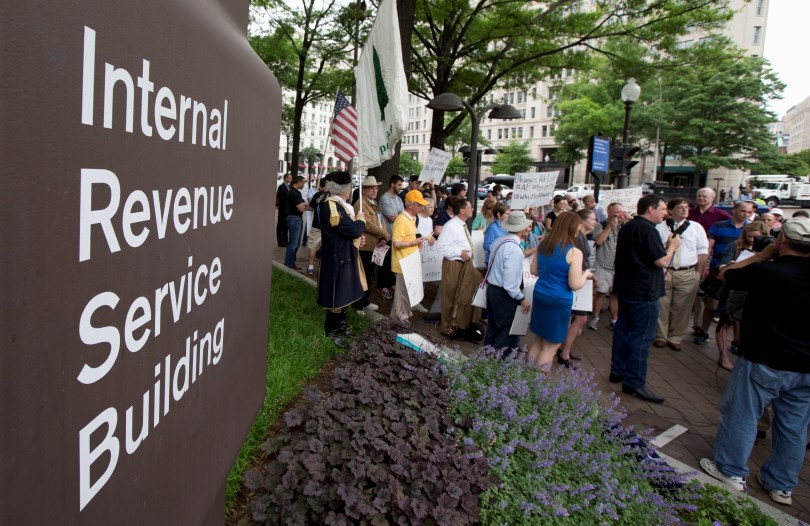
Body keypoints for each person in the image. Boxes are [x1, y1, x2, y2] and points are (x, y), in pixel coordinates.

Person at [700, 217, 810, 505]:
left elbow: (726, 274)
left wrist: (763, 254)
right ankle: (781, 484)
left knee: (743, 413)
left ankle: (730, 470)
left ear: (783, 239)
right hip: (804, 366)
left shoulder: (768, 271)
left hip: (764, 357)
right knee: (794, 425)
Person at [610, 195, 681, 404]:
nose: (665, 213)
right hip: (643, 292)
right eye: (663, 209)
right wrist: (673, 246)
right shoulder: (647, 230)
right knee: (641, 337)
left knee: (623, 330)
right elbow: (661, 261)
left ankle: (618, 370)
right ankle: (634, 382)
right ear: (651, 209)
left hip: (627, 288)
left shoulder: (629, 227)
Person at [527, 212, 593, 372]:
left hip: (540, 294)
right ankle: (536, 382)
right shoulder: (574, 252)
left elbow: (533, 270)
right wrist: (586, 274)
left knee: (539, 340)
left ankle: (526, 378)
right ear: (572, 227)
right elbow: (574, 284)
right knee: (551, 346)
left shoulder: (543, 245)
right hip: (559, 299)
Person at [316, 171, 367, 348]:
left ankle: (342, 326)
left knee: (346, 293)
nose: (351, 189)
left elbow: (347, 233)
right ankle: (332, 330)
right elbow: (353, 229)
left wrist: (358, 237)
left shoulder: (339, 205)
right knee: (337, 296)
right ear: (345, 189)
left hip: (345, 254)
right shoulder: (332, 206)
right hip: (338, 257)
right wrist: (360, 220)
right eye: (350, 186)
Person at [653, 198, 709, 352]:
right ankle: (660, 335)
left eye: (686, 207)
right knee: (662, 304)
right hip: (664, 270)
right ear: (670, 210)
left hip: (687, 272)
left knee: (683, 306)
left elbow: (702, 250)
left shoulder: (696, 227)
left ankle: (676, 337)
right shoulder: (659, 227)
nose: (685, 209)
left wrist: (698, 272)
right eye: (680, 207)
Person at [694, 201, 749, 345]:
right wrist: (705, 266)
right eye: (743, 211)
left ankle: (736, 340)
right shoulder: (719, 226)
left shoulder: (750, 228)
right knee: (711, 304)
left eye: (749, 212)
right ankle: (704, 332)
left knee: (736, 309)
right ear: (734, 210)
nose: (746, 214)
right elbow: (708, 246)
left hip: (741, 277)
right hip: (717, 272)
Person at [484, 211, 533, 355]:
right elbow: (510, 283)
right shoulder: (514, 249)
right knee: (506, 333)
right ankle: (499, 363)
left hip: (493, 289)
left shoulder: (499, 241)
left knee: (493, 328)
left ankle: (486, 359)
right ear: (522, 228)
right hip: (504, 294)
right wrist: (521, 298)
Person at [436, 198, 483, 342]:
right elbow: (440, 247)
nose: (472, 209)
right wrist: (459, 252)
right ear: (462, 210)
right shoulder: (451, 226)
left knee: (461, 295)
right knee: (450, 295)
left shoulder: (462, 225)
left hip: (464, 265)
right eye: (470, 207)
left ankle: (456, 324)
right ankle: (446, 328)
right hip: (453, 264)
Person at [557, 208, 597, 367]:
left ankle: (562, 348)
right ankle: (563, 350)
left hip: (581, 279)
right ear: (581, 221)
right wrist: (588, 274)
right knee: (579, 318)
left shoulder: (581, 237)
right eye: (592, 219)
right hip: (578, 280)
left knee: (574, 317)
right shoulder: (578, 239)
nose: (595, 222)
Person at [391, 190, 432, 320]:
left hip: (409, 262)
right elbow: (396, 243)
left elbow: (409, 237)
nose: (422, 207)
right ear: (410, 205)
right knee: (402, 294)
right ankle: (399, 319)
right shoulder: (402, 220)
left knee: (406, 293)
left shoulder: (412, 218)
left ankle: (402, 318)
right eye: (419, 204)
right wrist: (414, 243)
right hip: (403, 263)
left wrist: (416, 242)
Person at [588, 202, 627, 331]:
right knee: (600, 293)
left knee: (615, 295)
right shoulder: (600, 225)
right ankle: (596, 318)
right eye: (616, 212)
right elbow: (599, 240)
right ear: (609, 212)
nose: (619, 214)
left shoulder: (625, 226)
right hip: (603, 264)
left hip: (619, 266)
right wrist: (610, 227)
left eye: (621, 212)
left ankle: (615, 320)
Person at [353, 176, 388, 312]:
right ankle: (358, 305)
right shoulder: (360, 204)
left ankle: (365, 301)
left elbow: (381, 220)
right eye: (371, 188)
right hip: (364, 246)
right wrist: (383, 234)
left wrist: (383, 236)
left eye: (376, 188)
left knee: (369, 275)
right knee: (363, 276)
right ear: (364, 190)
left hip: (374, 245)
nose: (375, 190)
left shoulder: (374, 203)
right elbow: (366, 224)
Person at [377, 176, 403, 299]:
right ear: (392, 184)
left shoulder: (399, 198)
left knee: (392, 262)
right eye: (399, 185)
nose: (400, 187)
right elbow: (391, 217)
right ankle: (382, 286)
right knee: (385, 263)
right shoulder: (384, 198)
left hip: (396, 236)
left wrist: (399, 215)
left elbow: (403, 215)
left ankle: (389, 284)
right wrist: (400, 215)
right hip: (387, 235)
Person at [305, 177, 328, 276]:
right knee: (327, 247)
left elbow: (311, 208)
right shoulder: (331, 195)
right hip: (328, 227)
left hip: (316, 225)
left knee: (312, 246)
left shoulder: (317, 195)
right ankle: (324, 269)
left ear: (321, 185)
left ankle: (310, 267)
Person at [284, 175, 307, 270]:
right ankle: (288, 265)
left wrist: (304, 204)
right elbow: (301, 208)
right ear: (299, 182)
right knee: (293, 244)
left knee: (296, 243)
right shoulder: (294, 193)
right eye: (303, 183)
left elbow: (303, 205)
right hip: (294, 219)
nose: (304, 185)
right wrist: (304, 204)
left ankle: (291, 263)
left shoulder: (296, 192)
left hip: (296, 218)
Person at [276, 173, 292, 246]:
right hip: (283, 210)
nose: (291, 179)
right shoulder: (281, 187)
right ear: (286, 178)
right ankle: (280, 242)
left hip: (288, 209)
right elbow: (280, 198)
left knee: (286, 226)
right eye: (290, 178)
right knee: (281, 225)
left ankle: (285, 240)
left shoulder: (289, 187)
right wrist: (288, 195)